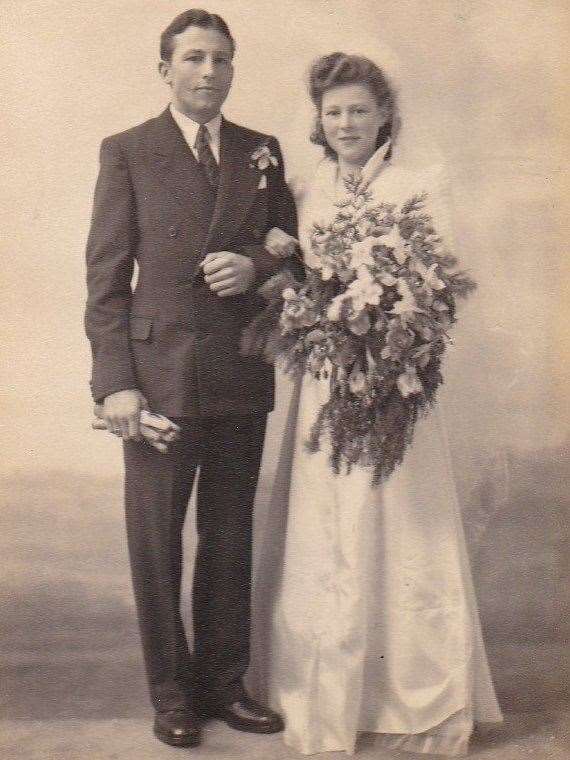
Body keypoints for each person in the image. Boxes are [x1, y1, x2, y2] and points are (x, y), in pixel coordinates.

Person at [252, 52, 503, 756]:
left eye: (360, 110)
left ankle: (412, 694)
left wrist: (394, 337)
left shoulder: (420, 184)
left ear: (385, 114)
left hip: (395, 384)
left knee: (401, 526)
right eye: (334, 112)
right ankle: (326, 692)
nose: (346, 123)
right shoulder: (305, 189)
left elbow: (440, 283)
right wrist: (291, 277)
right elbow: (293, 279)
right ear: (319, 121)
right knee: (326, 527)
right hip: (327, 384)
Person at [84, 8, 299, 749]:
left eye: (223, 60)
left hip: (238, 367)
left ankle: (224, 683)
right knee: (157, 542)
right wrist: (116, 385)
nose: (210, 72)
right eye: (196, 58)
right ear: (166, 69)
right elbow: (106, 282)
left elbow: (292, 252)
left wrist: (258, 265)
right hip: (158, 379)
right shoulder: (129, 151)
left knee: (230, 535)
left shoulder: (260, 150)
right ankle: (171, 693)